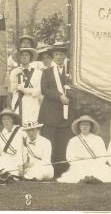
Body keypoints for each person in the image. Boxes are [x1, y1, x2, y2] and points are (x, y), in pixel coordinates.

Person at [38, 42, 76, 177]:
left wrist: (70, 94)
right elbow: (44, 89)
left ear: (65, 56)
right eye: (56, 55)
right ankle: (50, 169)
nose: (59, 57)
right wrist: (60, 96)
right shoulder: (47, 72)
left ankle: (63, 168)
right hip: (51, 111)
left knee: (64, 140)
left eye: (61, 54)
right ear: (53, 57)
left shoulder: (71, 72)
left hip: (67, 112)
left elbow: (77, 88)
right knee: (50, 140)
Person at [58, 115, 111, 183]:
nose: (85, 127)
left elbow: (103, 156)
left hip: (95, 163)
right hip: (79, 164)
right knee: (74, 173)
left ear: (91, 127)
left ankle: (93, 178)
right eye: (82, 125)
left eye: (87, 125)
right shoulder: (73, 140)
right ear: (79, 127)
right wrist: (78, 164)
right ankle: (86, 178)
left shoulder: (98, 139)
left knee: (103, 170)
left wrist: (96, 164)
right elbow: (69, 156)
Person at [9, 48, 42, 122]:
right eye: (22, 55)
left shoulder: (38, 73)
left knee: (31, 125)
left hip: (32, 103)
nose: (24, 57)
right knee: (19, 125)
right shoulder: (14, 72)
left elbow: (39, 91)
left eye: (26, 55)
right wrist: (15, 76)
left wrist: (25, 90)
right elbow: (12, 89)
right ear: (19, 58)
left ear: (30, 57)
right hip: (18, 102)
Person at [0, 108, 24, 175]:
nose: (6, 121)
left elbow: (22, 150)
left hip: (16, 160)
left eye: (8, 119)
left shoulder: (21, 131)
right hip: (3, 159)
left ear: (13, 120)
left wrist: (20, 164)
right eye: (4, 119)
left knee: (8, 170)